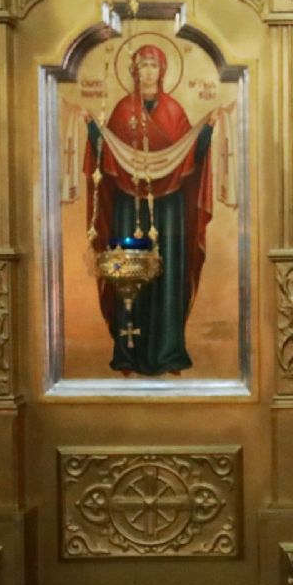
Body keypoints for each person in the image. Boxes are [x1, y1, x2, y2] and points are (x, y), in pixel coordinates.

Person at [83, 44, 213, 376]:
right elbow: (106, 151)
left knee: (168, 276)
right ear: (134, 72)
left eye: (154, 65)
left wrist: (208, 130)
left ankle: (168, 352)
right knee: (128, 272)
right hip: (129, 207)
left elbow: (190, 156)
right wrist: (91, 127)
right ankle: (128, 354)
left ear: (163, 71)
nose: (148, 72)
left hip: (169, 211)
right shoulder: (122, 109)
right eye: (142, 66)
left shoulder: (173, 111)